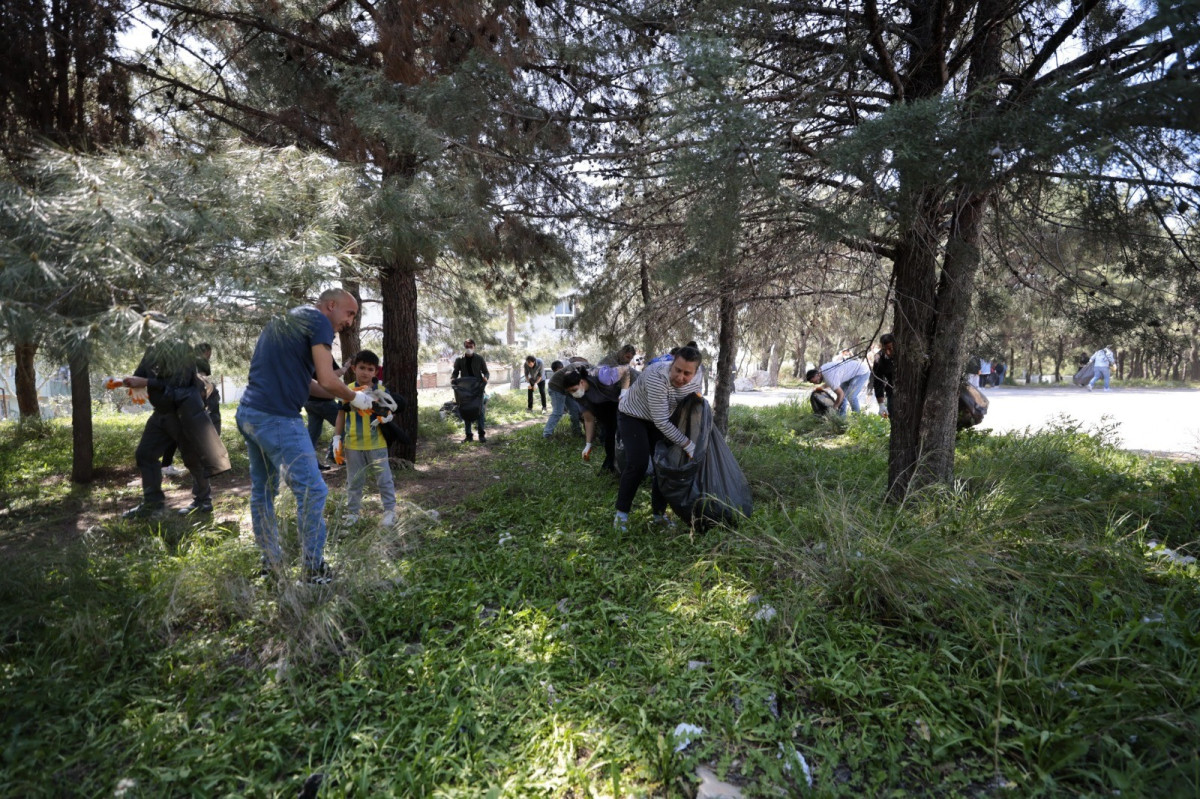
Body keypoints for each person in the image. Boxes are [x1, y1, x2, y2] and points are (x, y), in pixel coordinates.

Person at [236, 288, 372, 584]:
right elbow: (327, 379)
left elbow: (313, 384)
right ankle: (313, 570)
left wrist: (351, 394)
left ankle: (270, 563)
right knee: (313, 491)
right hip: (277, 417)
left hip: (249, 414)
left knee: (264, 491)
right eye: (349, 313)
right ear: (330, 305)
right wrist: (354, 398)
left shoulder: (286, 320)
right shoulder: (318, 321)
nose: (349, 322)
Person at [120, 332, 230, 519]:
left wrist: (146, 382)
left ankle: (203, 502)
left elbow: (180, 384)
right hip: (161, 413)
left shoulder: (181, 348)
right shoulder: (151, 350)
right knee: (145, 454)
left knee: (193, 459)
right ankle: (152, 504)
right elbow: (140, 374)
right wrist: (127, 382)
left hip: (182, 412)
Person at [613, 345, 705, 532]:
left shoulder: (697, 379)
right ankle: (621, 515)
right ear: (672, 363)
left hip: (659, 417)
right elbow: (662, 422)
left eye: (687, 373)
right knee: (637, 464)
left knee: (662, 465)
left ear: (696, 372)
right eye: (677, 370)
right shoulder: (657, 376)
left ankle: (658, 515)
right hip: (633, 415)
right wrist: (687, 444)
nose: (681, 377)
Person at [333, 350, 397, 528]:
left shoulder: (381, 390)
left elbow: (390, 410)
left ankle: (390, 511)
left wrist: (386, 416)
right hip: (352, 445)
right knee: (354, 481)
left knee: (384, 479)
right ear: (354, 368)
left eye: (370, 369)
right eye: (362, 368)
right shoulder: (346, 390)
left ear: (376, 372)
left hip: (377, 443)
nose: (365, 372)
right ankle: (353, 513)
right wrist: (337, 438)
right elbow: (340, 414)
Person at [161, 342, 219, 477]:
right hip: (192, 402)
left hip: (176, 400)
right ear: (206, 352)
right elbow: (202, 381)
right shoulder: (202, 362)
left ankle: (165, 465)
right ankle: (204, 464)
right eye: (209, 353)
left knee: (174, 433)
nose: (209, 356)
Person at [589, 344, 637, 475]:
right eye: (627, 356)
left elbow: (628, 379)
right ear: (622, 352)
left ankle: (613, 464)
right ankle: (610, 464)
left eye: (631, 358)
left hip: (617, 402)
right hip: (604, 401)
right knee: (609, 434)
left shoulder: (625, 366)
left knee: (614, 434)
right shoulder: (608, 361)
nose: (628, 360)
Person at [304, 357, 346, 471]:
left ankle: (310, 462)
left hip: (309, 401)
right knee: (344, 424)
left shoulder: (304, 355)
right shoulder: (323, 353)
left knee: (312, 435)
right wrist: (345, 367)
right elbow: (333, 375)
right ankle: (333, 455)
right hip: (324, 402)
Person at [451, 338, 489, 442]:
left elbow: (486, 372)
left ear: (474, 347)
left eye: (470, 346)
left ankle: (481, 435)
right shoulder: (459, 359)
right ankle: (469, 436)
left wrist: (485, 377)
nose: (469, 348)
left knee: (480, 411)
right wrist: (453, 378)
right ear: (464, 347)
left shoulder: (479, 359)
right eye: (467, 347)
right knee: (466, 410)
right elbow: (455, 372)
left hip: (477, 389)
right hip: (465, 390)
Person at [805, 355, 871, 415]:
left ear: (818, 374)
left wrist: (834, 408)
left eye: (815, 381)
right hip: (850, 373)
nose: (815, 383)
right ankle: (841, 418)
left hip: (861, 372)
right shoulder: (822, 370)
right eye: (813, 383)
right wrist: (821, 387)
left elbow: (840, 394)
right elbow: (832, 383)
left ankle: (857, 419)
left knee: (851, 396)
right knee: (843, 398)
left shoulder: (829, 377)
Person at [543, 360, 586, 438]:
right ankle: (547, 434)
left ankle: (577, 433)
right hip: (556, 388)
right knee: (558, 411)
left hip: (566, 389)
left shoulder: (580, 367)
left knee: (575, 409)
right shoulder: (575, 367)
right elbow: (568, 377)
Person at [870, 333, 896, 419]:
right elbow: (878, 381)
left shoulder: (904, 354)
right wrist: (881, 404)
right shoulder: (879, 359)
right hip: (892, 390)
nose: (888, 352)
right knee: (892, 414)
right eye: (885, 349)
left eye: (890, 348)